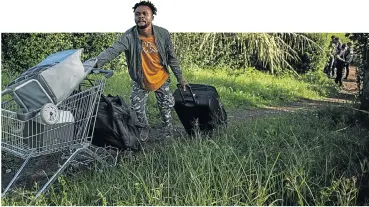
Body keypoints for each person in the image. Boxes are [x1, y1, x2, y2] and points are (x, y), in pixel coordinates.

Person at [93, 1, 188, 140]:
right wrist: (95, 63)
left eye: (145, 14)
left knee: (166, 105)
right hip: (140, 79)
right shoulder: (129, 36)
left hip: (161, 78)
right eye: (137, 14)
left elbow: (171, 57)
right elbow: (113, 50)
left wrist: (180, 78)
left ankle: (168, 128)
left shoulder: (163, 34)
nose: (141, 17)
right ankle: (144, 128)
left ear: (152, 17)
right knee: (137, 108)